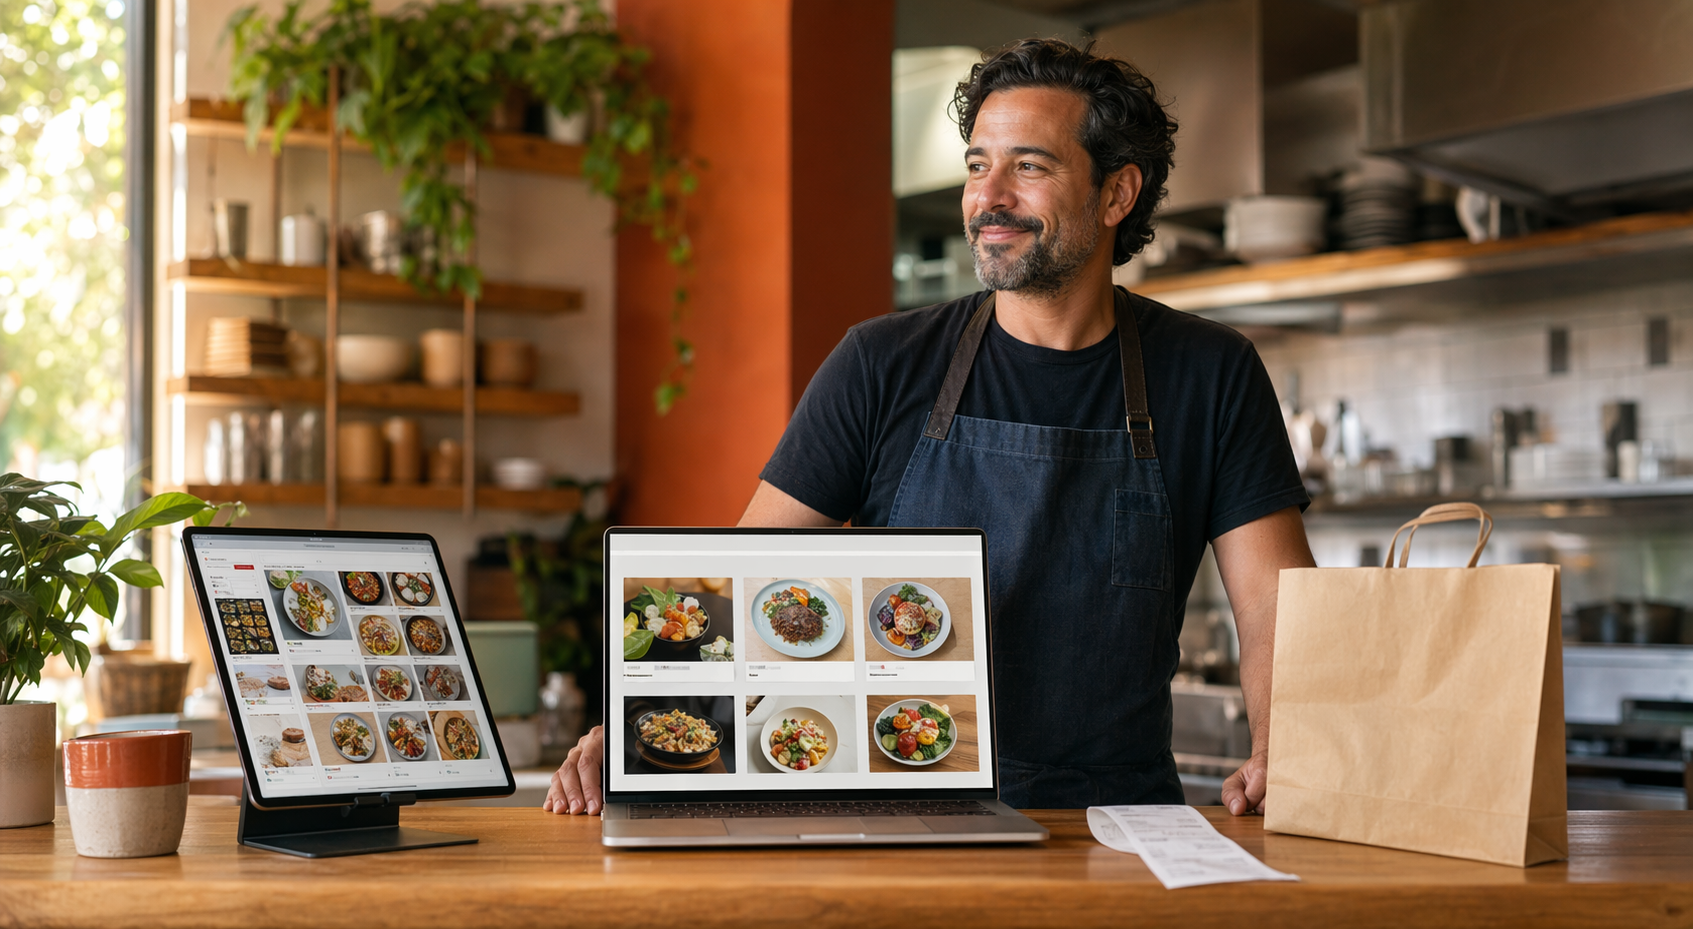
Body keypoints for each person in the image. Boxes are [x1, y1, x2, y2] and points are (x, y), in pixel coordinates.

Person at [546, 37, 1314, 817]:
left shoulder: (1210, 371)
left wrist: (1280, 744)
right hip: (903, 811)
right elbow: (757, 575)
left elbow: (1271, 603)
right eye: (977, 165)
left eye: (1030, 166)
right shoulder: (882, 363)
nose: (989, 197)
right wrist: (640, 720)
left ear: (1117, 195)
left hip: (1120, 823)